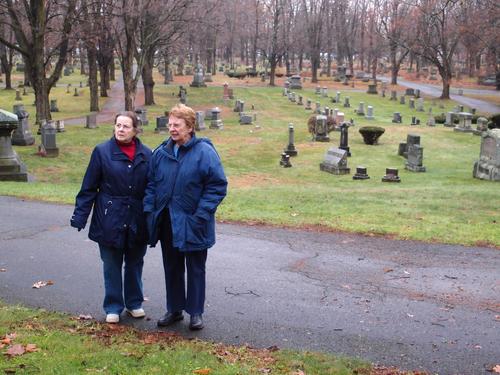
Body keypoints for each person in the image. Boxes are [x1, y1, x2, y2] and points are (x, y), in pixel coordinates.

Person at [144, 104, 227, 330]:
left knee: (195, 269)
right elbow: (151, 183)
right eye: (170, 124)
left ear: (190, 127)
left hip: (194, 222)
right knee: (172, 267)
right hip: (167, 222)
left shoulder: (205, 153)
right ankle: (175, 309)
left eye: (177, 125)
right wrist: (150, 209)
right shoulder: (161, 153)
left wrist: (201, 214)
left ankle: (196, 312)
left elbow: (217, 186)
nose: (172, 129)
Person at [70, 111, 151, 324]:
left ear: (135, 130)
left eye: (126, 126)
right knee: (111, 264)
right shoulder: (102, 152)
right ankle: (113, 306)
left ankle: (134, 303)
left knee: (135, 263)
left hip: (137, 217)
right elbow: (89, 187)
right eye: (118, 125)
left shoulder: (146, 154)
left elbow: (152, 188)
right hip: (109, 217)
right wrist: (80, 216)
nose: (121, 129)